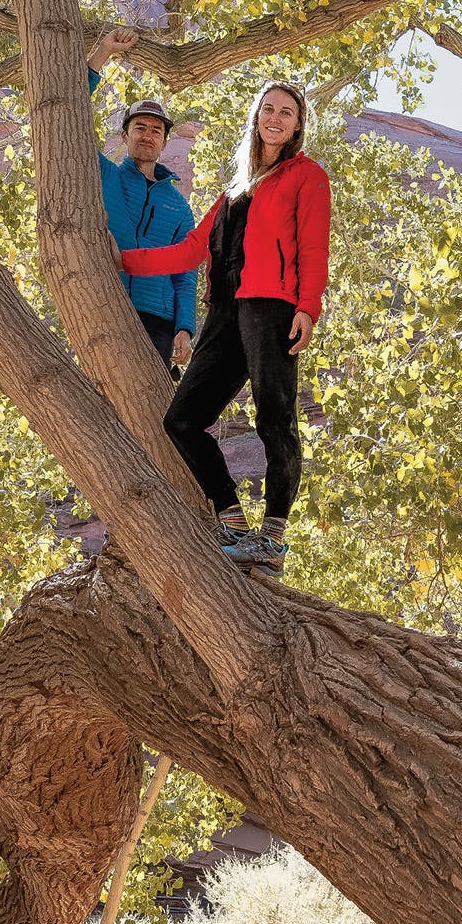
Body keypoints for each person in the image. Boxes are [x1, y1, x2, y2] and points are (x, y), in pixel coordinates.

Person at [120, 78, 330, 576]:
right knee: (182, 420)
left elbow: (313, 247)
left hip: (273, 307)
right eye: (268, 109)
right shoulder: (234, 189)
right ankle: (233, 524)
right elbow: (189, 251)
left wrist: (308, 307)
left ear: (298, 125)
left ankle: (273, 540)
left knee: (274, 419)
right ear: (257, 117)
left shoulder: (307, 176)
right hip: (226, 313)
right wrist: (122, 260)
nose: (275, 118)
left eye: (287, 112)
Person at [86, 29, 197, 369]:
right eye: (140, 128)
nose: (148, 136)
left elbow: (185, 272)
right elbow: (68, 115)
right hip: (107, 306)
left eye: (156, 130)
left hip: (158, 320)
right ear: (125, 135)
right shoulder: (102, 174)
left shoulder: (179, 208)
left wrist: (184, 328)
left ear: (164, 142)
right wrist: (102, 53)